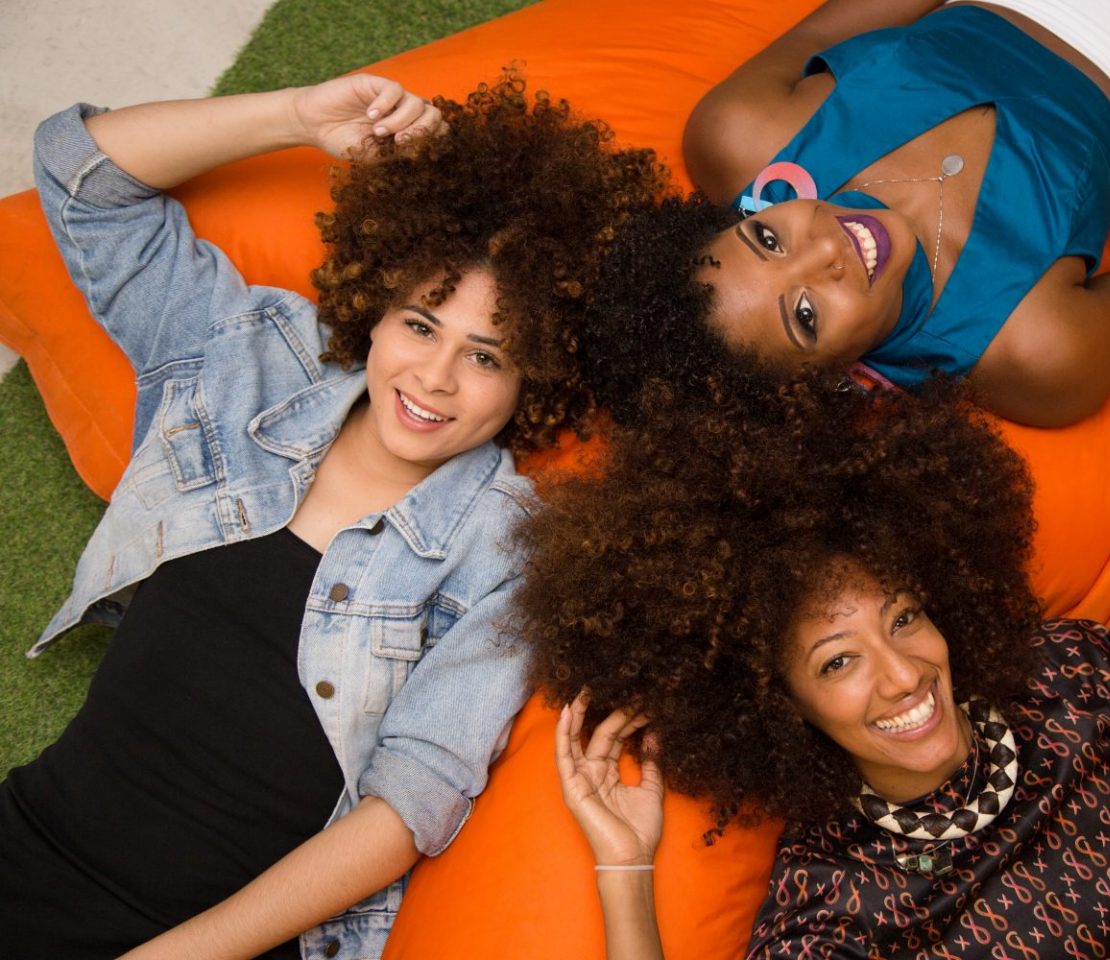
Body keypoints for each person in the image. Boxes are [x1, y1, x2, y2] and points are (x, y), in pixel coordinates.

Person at [0, 70, 664, 959]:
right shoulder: (252, 360)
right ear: (381, 302)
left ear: (536, 378)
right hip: (28, 844)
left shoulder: (512, 551)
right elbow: (79, 170)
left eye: (488, 356)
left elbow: (407, 807)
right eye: (422, 325)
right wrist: (295, 115)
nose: (433, 379)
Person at [518, 374, 1110, 958]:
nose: (904, 675)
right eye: (838, 660)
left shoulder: (1066, 672)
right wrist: (626, 872)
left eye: (905, 618)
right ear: (777, 704)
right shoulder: (835, 904)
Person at [579, 0, 1110, 427]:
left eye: (767, 238)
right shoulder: (1029, 352)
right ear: (824, 386)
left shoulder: (741, 133)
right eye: (805, 315)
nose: (823, 250)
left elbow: (817, 32)